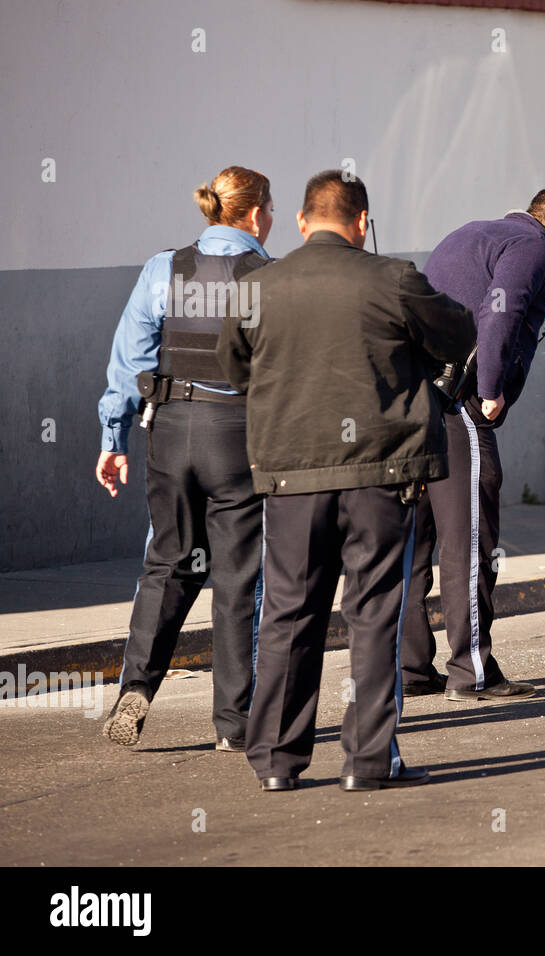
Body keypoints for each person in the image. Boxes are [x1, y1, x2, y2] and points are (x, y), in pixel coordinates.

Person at [216, 170, 474, 792]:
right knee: (374, 613)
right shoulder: (395, 278)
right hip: (381, 474)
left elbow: (233, 367)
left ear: (303, 223)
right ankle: (367, 761)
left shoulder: (257, 285)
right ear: (362, 222)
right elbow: (461, 333)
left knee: (288, 613)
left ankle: (276, 763)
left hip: (291, 475)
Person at [96, 166, 274, 751]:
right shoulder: (267, 277)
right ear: (253, 214)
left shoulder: (164, 267)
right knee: (237, 575)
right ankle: (233, 723)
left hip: (169, 432)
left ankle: (135, 692)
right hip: (235, 434)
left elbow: (131, 357)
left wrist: (112, 438)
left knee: (168, 562)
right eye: (268, 210)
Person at [400, 184, 545, 702]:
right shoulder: (533, 248)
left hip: (413, 407)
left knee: (413, 541)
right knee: (470, 542)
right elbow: (499, 314)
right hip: (458, 404)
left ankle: (410, 667)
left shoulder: (471, 232)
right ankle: (471, 672)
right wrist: (488, 392)